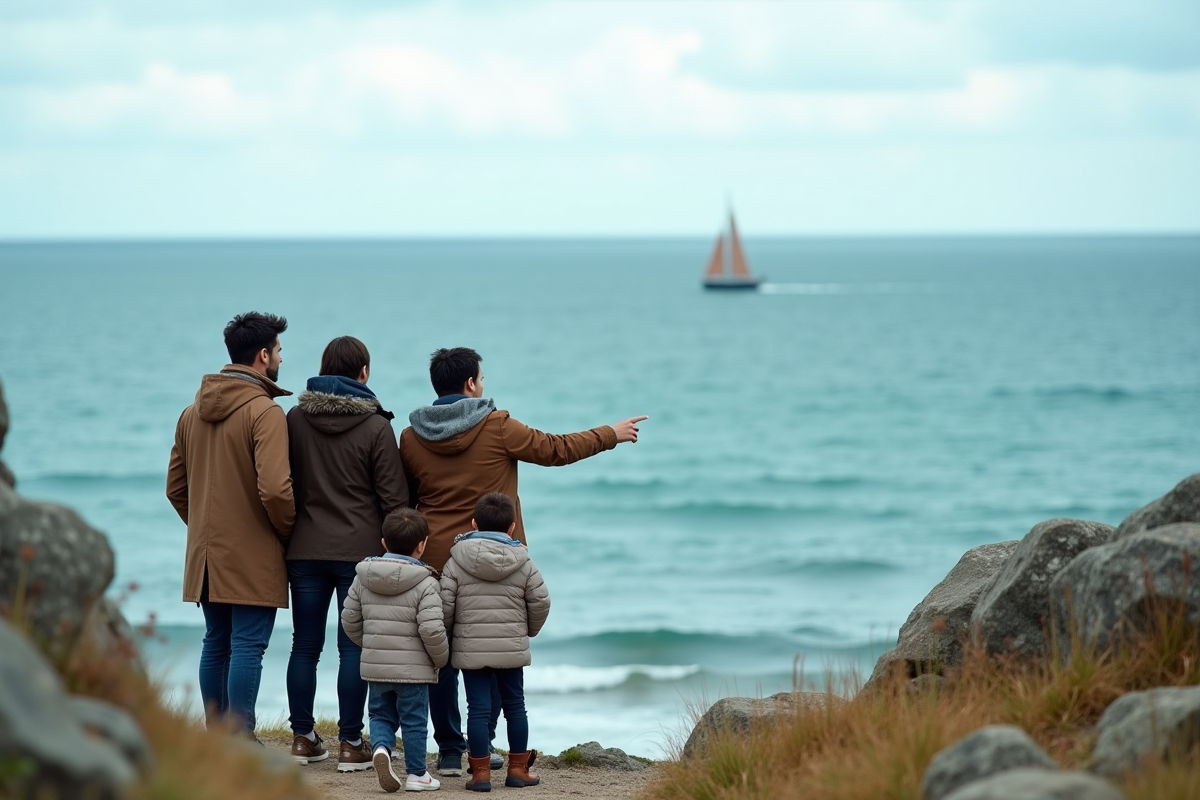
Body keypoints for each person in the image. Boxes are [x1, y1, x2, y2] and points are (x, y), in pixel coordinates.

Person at [399, 346, 646, 776]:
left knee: (439, 658)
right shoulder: (497, 426)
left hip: (438, 558)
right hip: (495, 555)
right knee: (491, 651)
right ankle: (485, 744)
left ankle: (454, 752)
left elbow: (404, 496)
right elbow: (555, 449)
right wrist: (611, 433)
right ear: (472, 383)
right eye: (481, 377)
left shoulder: (411, 436)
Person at [166, 311, 294, 737]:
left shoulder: (190, 413)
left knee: (215, 642)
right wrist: (284, 531)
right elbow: (276, 491)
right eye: (278, 350)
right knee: (247, 646)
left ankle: (216, 737)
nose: (281, 357)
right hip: (253, 552)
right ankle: (240, 739)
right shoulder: (265, 412)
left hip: (204, 555)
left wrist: (203, 528)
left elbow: (175, 489)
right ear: (262, 355)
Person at [285, 335, 409, 771]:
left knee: (304, 645)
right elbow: (394, 499)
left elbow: (284, 484)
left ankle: (302, 738)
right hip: (358, 552)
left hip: (303, 549)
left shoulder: (295, 419)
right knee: (352, 647)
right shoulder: (376, 425)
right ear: (364, 374)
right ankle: (350, 743)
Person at [440, 492, 550, 792]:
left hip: (471, 649)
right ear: (512, 528)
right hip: (511, 649)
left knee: (477, 709)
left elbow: (445, 605)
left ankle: (480, 775)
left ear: (474, 523)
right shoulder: (523, 562)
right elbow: (541, 601)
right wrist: (528, 631)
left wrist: (452, 634)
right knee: (515, 707)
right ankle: (517, 771)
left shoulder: (456, 560)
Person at [341, 508, 448, 793]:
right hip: (413, 671)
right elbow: (432, 629)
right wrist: (440, 659)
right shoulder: (427, 582)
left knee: (379, 714)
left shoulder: (363, 576)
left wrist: (370, 644)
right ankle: (417, 774)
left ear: (384, 543)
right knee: (414, 720)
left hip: (376, 665)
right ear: (422, 544)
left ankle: (381, 749)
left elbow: (349, 619)